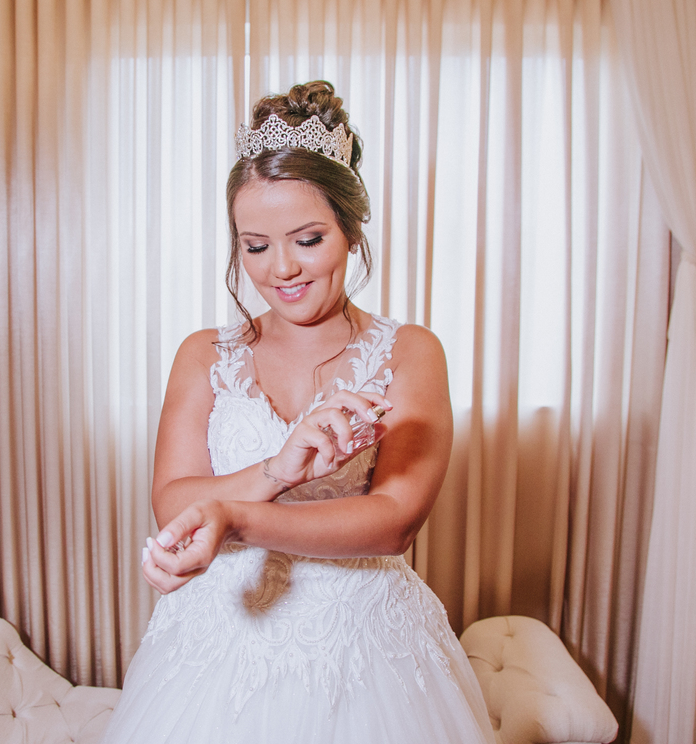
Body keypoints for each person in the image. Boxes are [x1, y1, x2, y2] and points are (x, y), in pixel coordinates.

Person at [100, 81, 495, 744]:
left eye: (307, 239)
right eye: (255, 246)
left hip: (364, 648)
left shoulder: (410, 351)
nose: (281, 268)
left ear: (351, 230)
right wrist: (276, 470)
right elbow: (173, 504)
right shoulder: (203, 354)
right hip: (216, 644)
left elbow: (393, 522)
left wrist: (235, 517)